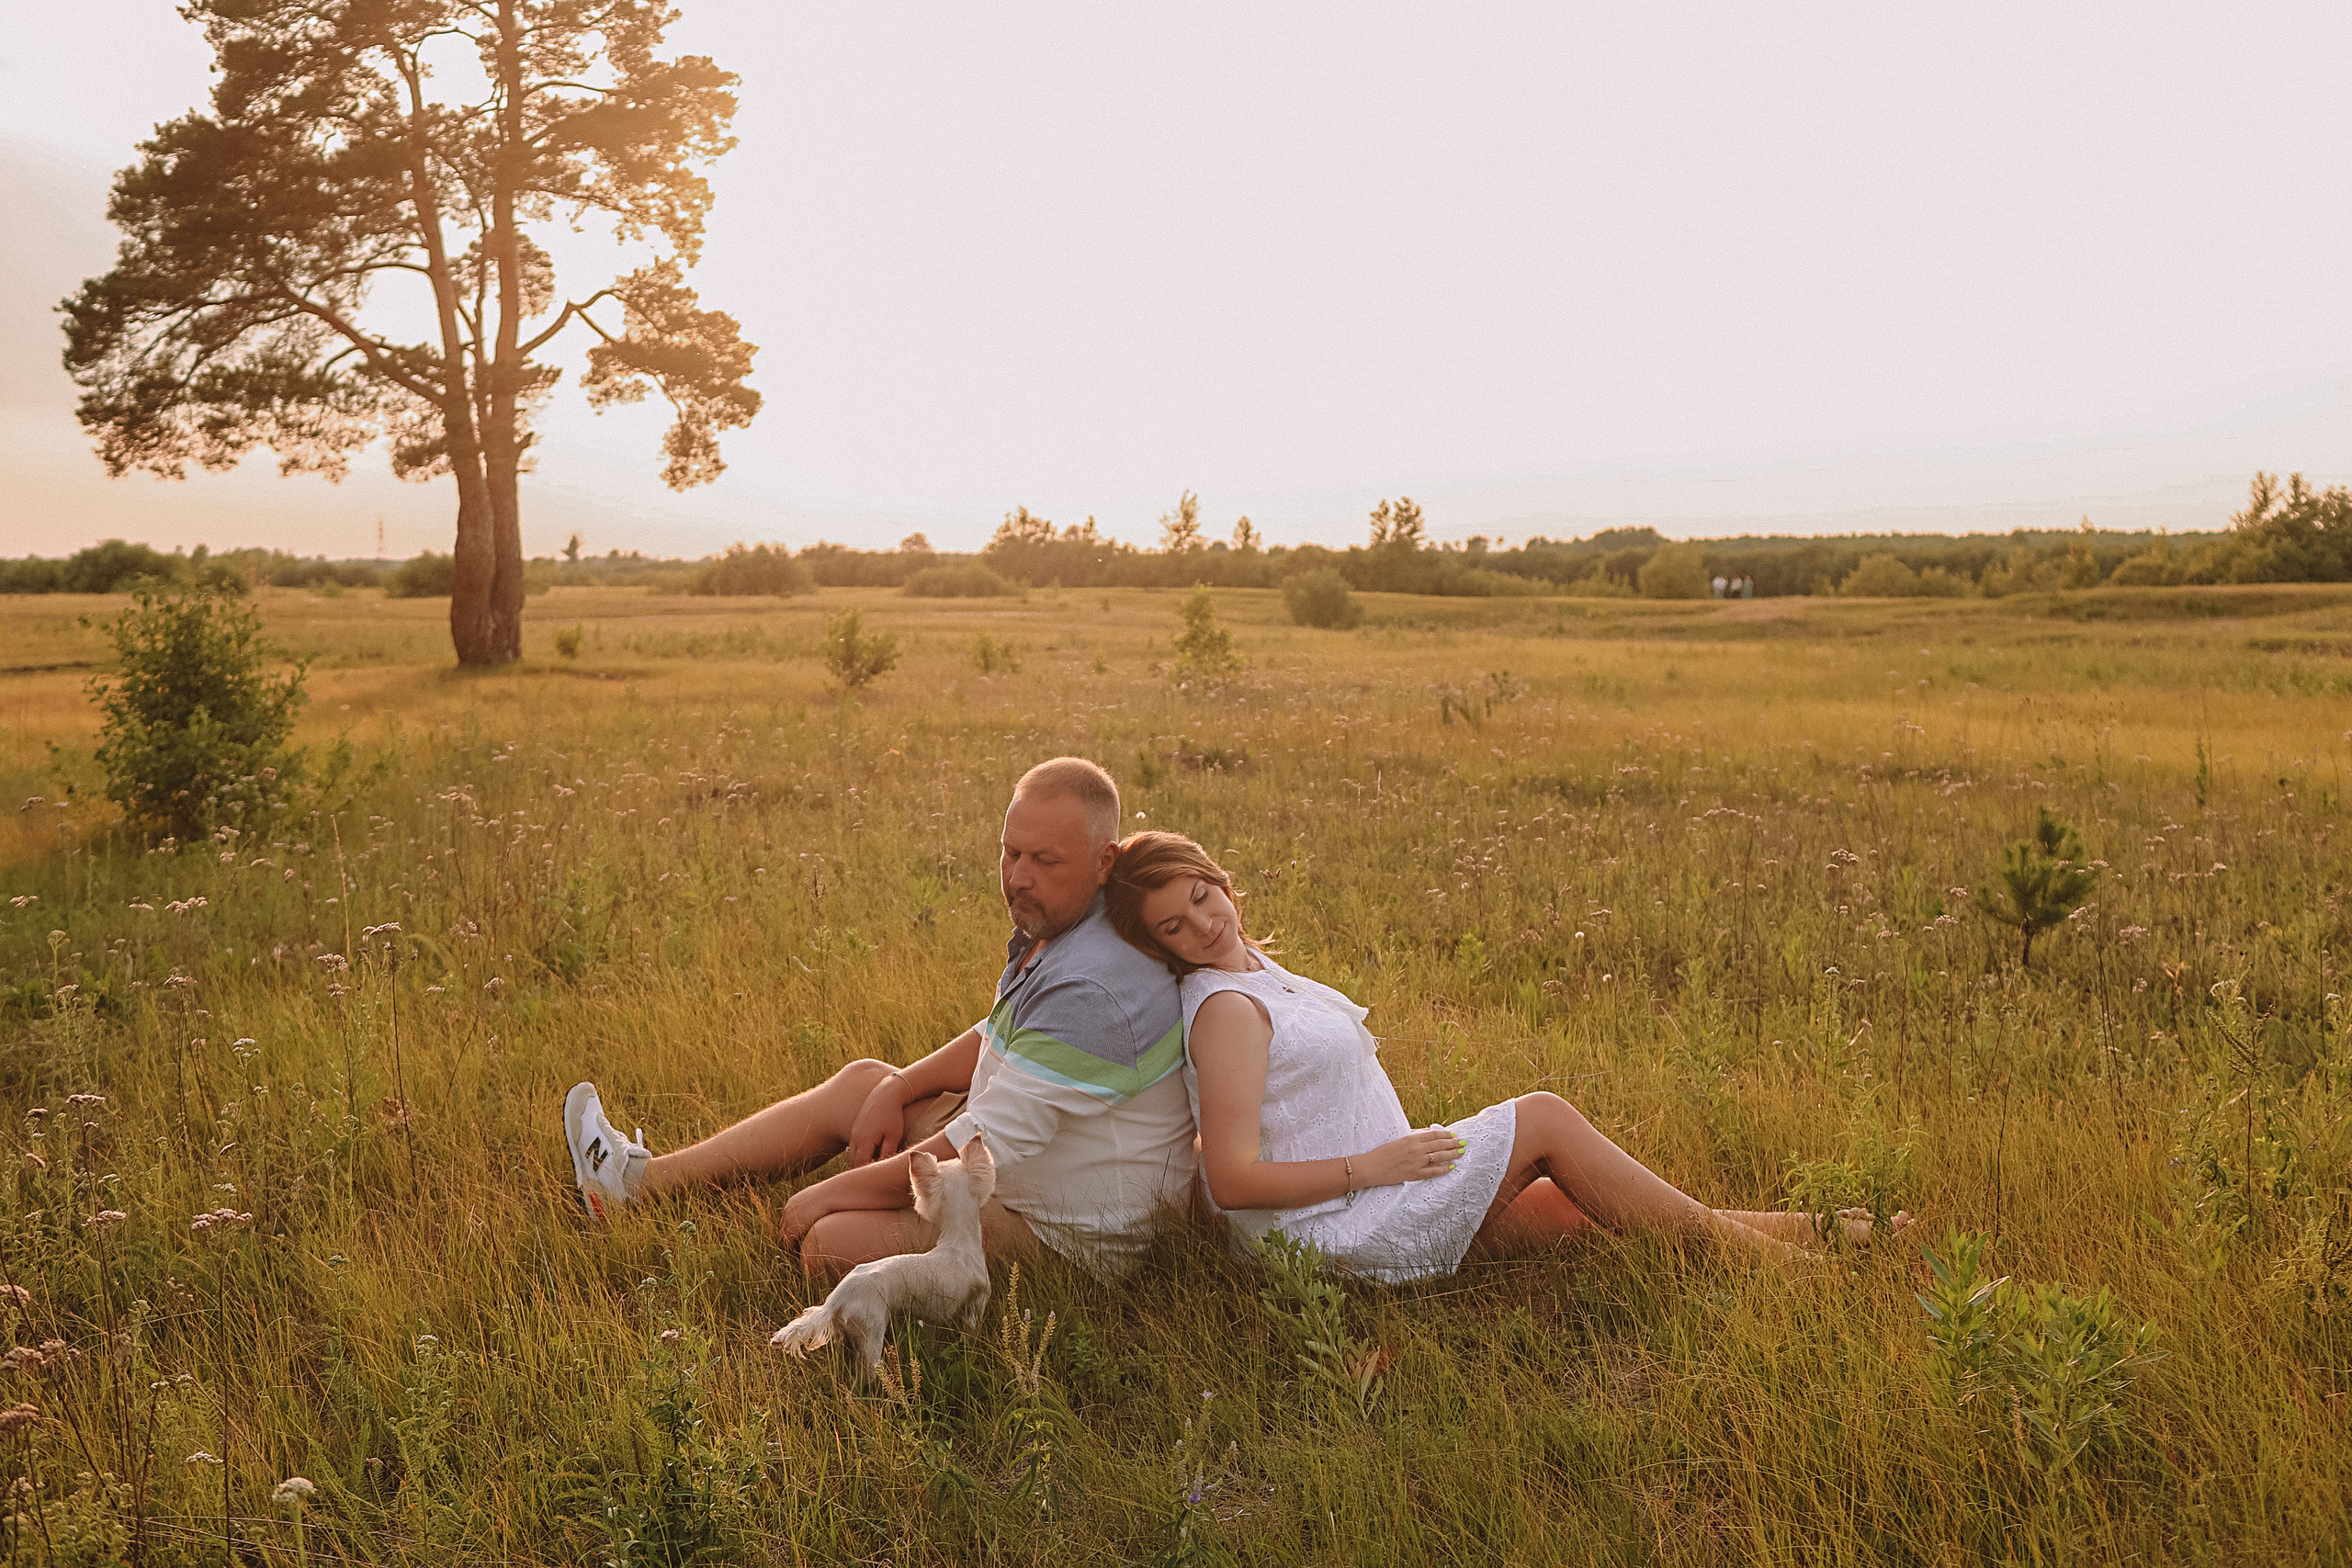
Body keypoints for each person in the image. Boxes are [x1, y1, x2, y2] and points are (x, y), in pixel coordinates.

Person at [1103, 831, 1903, 1281]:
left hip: (1384, 1187)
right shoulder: (1225, 1011)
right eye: (1174, 925)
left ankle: (1841, 1234)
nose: (1203, 924)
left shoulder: (1252, 970)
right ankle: (1800, 1278)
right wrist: (1371, 1167)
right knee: (1544, 1117)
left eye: (1201, 896)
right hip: (1335, 1225)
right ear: (1160, 945)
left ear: (1220, 879)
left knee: (1580, 1211)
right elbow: (1231, 1180)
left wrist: (1385, 1165)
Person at [562, 758, 1196, 1277]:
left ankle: (675, 1196)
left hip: (1064, 1229)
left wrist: (831, 1191)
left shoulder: (1097, 986)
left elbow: (983, 1140)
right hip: (1019, 1161)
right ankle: (634, 1186)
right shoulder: (1072, 923)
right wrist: (898, 1087)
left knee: (830, 1241)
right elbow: (997, 1039)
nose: (1017, 878)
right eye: (1010, 853)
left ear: (1104, 861)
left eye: (1044, 861)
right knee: (867, 1081)